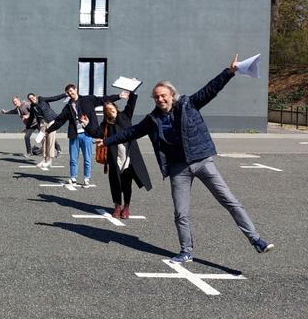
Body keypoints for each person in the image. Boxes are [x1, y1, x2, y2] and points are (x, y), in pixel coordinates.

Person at [98, 55, 274, 263]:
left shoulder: (189, 104)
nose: (160, 99)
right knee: (181, 212)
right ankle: (186, 251)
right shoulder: (152, 119)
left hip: (201, 161)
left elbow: (211, 89)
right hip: (178, 168)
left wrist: (230, 72)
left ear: (172, 95)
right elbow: (132, 131)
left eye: (163, 95)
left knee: (230, 201)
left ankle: (256, 240)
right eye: (156, 97)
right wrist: (107, 141)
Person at [83, 91, 151, 218]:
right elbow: (96, 133)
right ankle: (117, 206)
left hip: (129, 156)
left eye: (112, 108)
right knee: (115, 182)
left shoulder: (125, 116)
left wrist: (133, 91)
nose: (110, 110)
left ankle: (126, 207)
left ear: (116, 108)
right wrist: (86, 125)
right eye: (107, 109)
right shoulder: (106, 124)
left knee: (127, 183)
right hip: (114, 158)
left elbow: (131, 104)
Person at [47, 85, 126, 186]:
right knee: (73, 158)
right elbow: (60, 120)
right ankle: (73, 177)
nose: (70, 93)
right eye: (68, 92)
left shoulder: (88, 100)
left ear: (76, 90)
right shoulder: (68, 106)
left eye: (71, 91)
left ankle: (86, 178)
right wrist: (49, 130)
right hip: (74, 135)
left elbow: (103, 99)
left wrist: (118, 96)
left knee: (87, 158)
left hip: (88, 133)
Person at [27, 92, 67, 169]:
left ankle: (50, 160)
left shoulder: (41, 99)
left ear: (35, 96)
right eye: (30, 99)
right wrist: (27, 127)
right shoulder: (32, 107)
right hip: (43, 123)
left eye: (33, 97)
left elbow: (54, 98)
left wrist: (64, 95)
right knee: (43, 141)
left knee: (50, 141)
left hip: (51, 121)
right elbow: (31, 117)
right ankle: (44, 159)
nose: (32, 99)